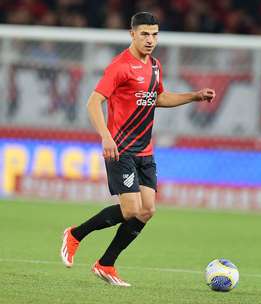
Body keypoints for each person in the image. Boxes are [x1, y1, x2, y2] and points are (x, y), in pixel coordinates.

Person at [60, 11, 216, 287]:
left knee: (147, 210)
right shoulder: (120, 66)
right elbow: (93, 103)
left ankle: (106, 264)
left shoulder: (155, 65)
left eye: (154, 34)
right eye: (144, 34)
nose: (150, 39)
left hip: (145, 150)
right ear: (132, 34)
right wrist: (106, 137)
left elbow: (159, 98)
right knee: (131, 209)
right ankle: (75, 234)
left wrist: (194, 96)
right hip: (120, 148)